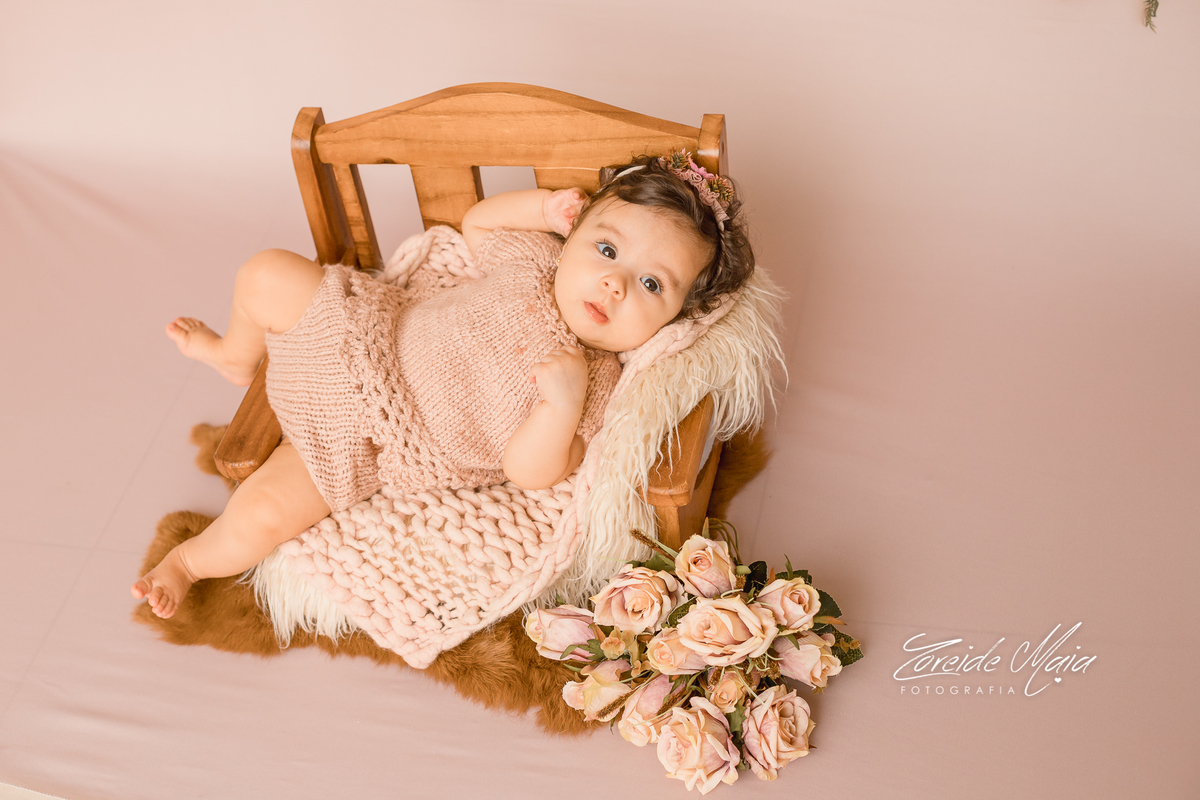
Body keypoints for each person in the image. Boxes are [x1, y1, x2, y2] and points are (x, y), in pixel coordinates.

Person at [132, 151, 755, 619]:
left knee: (265, 512)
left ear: (675, 318)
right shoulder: (537, 262)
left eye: (652, 284)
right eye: (607, 250)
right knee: (266, 272)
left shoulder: (594, 382)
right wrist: (542, 209)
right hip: (359, 336)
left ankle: (186, 562)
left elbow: (530, 471)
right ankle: (237, 357)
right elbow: (478, 224)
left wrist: (559, 407)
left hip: (366, 446)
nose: (615, 284)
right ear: (573, 238)